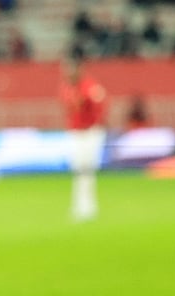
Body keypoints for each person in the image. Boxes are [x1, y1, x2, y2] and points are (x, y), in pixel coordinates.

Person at [59, 57, 107, 222]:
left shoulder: (89, 85)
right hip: (76, 132)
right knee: (79, 170)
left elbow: (99, 103)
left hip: (90, 132)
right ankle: (80, 205)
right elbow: (71, 106)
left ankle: (88, 206)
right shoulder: (67, 88)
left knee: (87, 170)